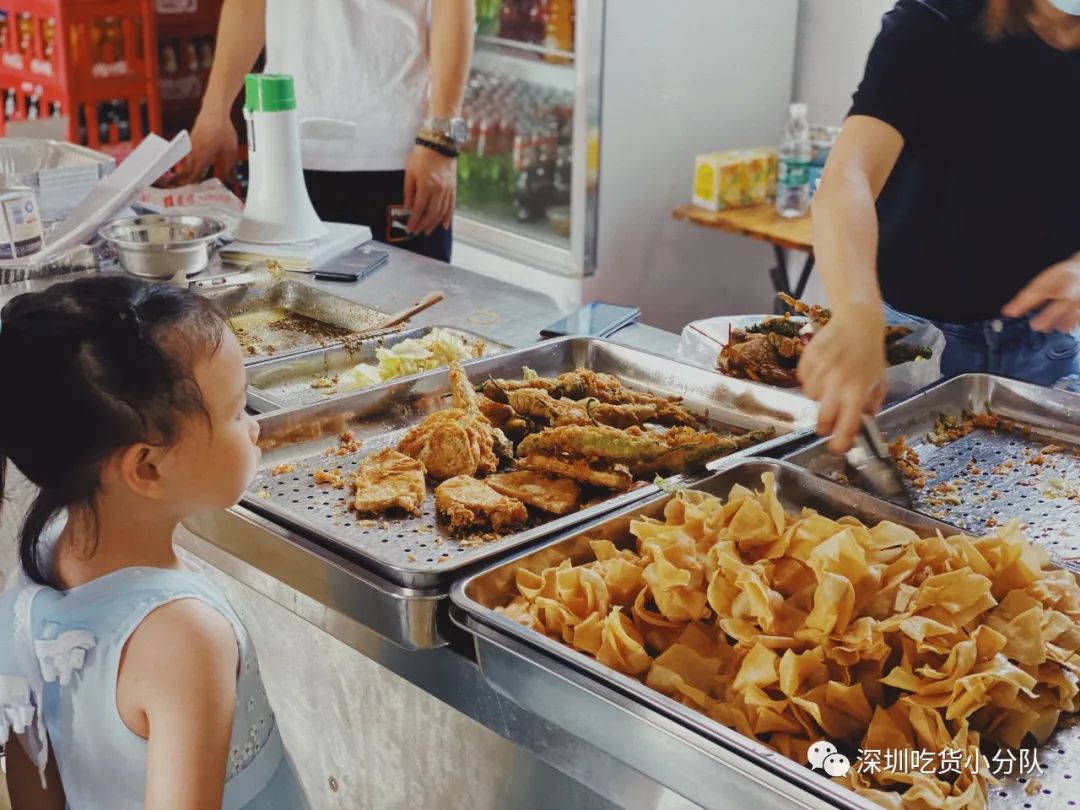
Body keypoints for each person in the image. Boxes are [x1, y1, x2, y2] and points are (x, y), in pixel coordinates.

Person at [0, 277, 308, 810]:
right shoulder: (185, 636)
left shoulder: (37, 559)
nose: (254, 427)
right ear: (147, 467)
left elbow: (31, 769)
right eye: (236, 412)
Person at [797, 0, 1080, 452]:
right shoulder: (937, 18)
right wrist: (856, 313)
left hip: (1049, 343)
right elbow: (847, 176)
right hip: (909, 339)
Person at [175, 0, 475, 263]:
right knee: (289, 316)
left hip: (392, 151)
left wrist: (441, 137)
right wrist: (215, 110)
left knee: (412, 311)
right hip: (284, 148)